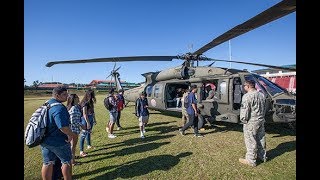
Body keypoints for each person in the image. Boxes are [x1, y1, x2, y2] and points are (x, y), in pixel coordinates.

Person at [40, 86, 73, 180]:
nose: (67, 96)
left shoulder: (47, 103)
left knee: (47, 162)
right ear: (57, 95)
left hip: (45, 140)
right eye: (64, 94)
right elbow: (62, 126)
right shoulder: (59, 108)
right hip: (58, 141)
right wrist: (70, 134)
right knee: (66, 161)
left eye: (67, 94)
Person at [239, 79, 267, 167]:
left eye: (244, 86)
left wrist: (243, 120)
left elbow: (244, 111)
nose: (243, 87)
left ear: (248, 86)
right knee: (261, 139)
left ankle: (251, 160)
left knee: (251, 141)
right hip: (260, 120)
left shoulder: (247, 96)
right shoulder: (261, 95)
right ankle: (262, 156)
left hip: (251, 122)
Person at [66, 93, 85, 166]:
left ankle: (72, 157)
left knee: (72, 145)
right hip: (73, 130)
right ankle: (72, 161)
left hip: (73, 129)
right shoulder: (73, 108)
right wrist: (81, 125)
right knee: (73, 146)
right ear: (73, 99)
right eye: (77, 97)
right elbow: (73, 121)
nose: (79, 98)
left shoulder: (74, 107)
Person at [79, 89, 97, 157]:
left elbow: (92, 111)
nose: (94, 96)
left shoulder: (90, 102)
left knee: (89, 132)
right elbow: (84, 114)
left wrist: (94, 119)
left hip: (90, 118)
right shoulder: (84, 103)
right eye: (93, 95)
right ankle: (81, 151)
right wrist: (88, 123)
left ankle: (89, 145)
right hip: (85, 119)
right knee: (83, 135)